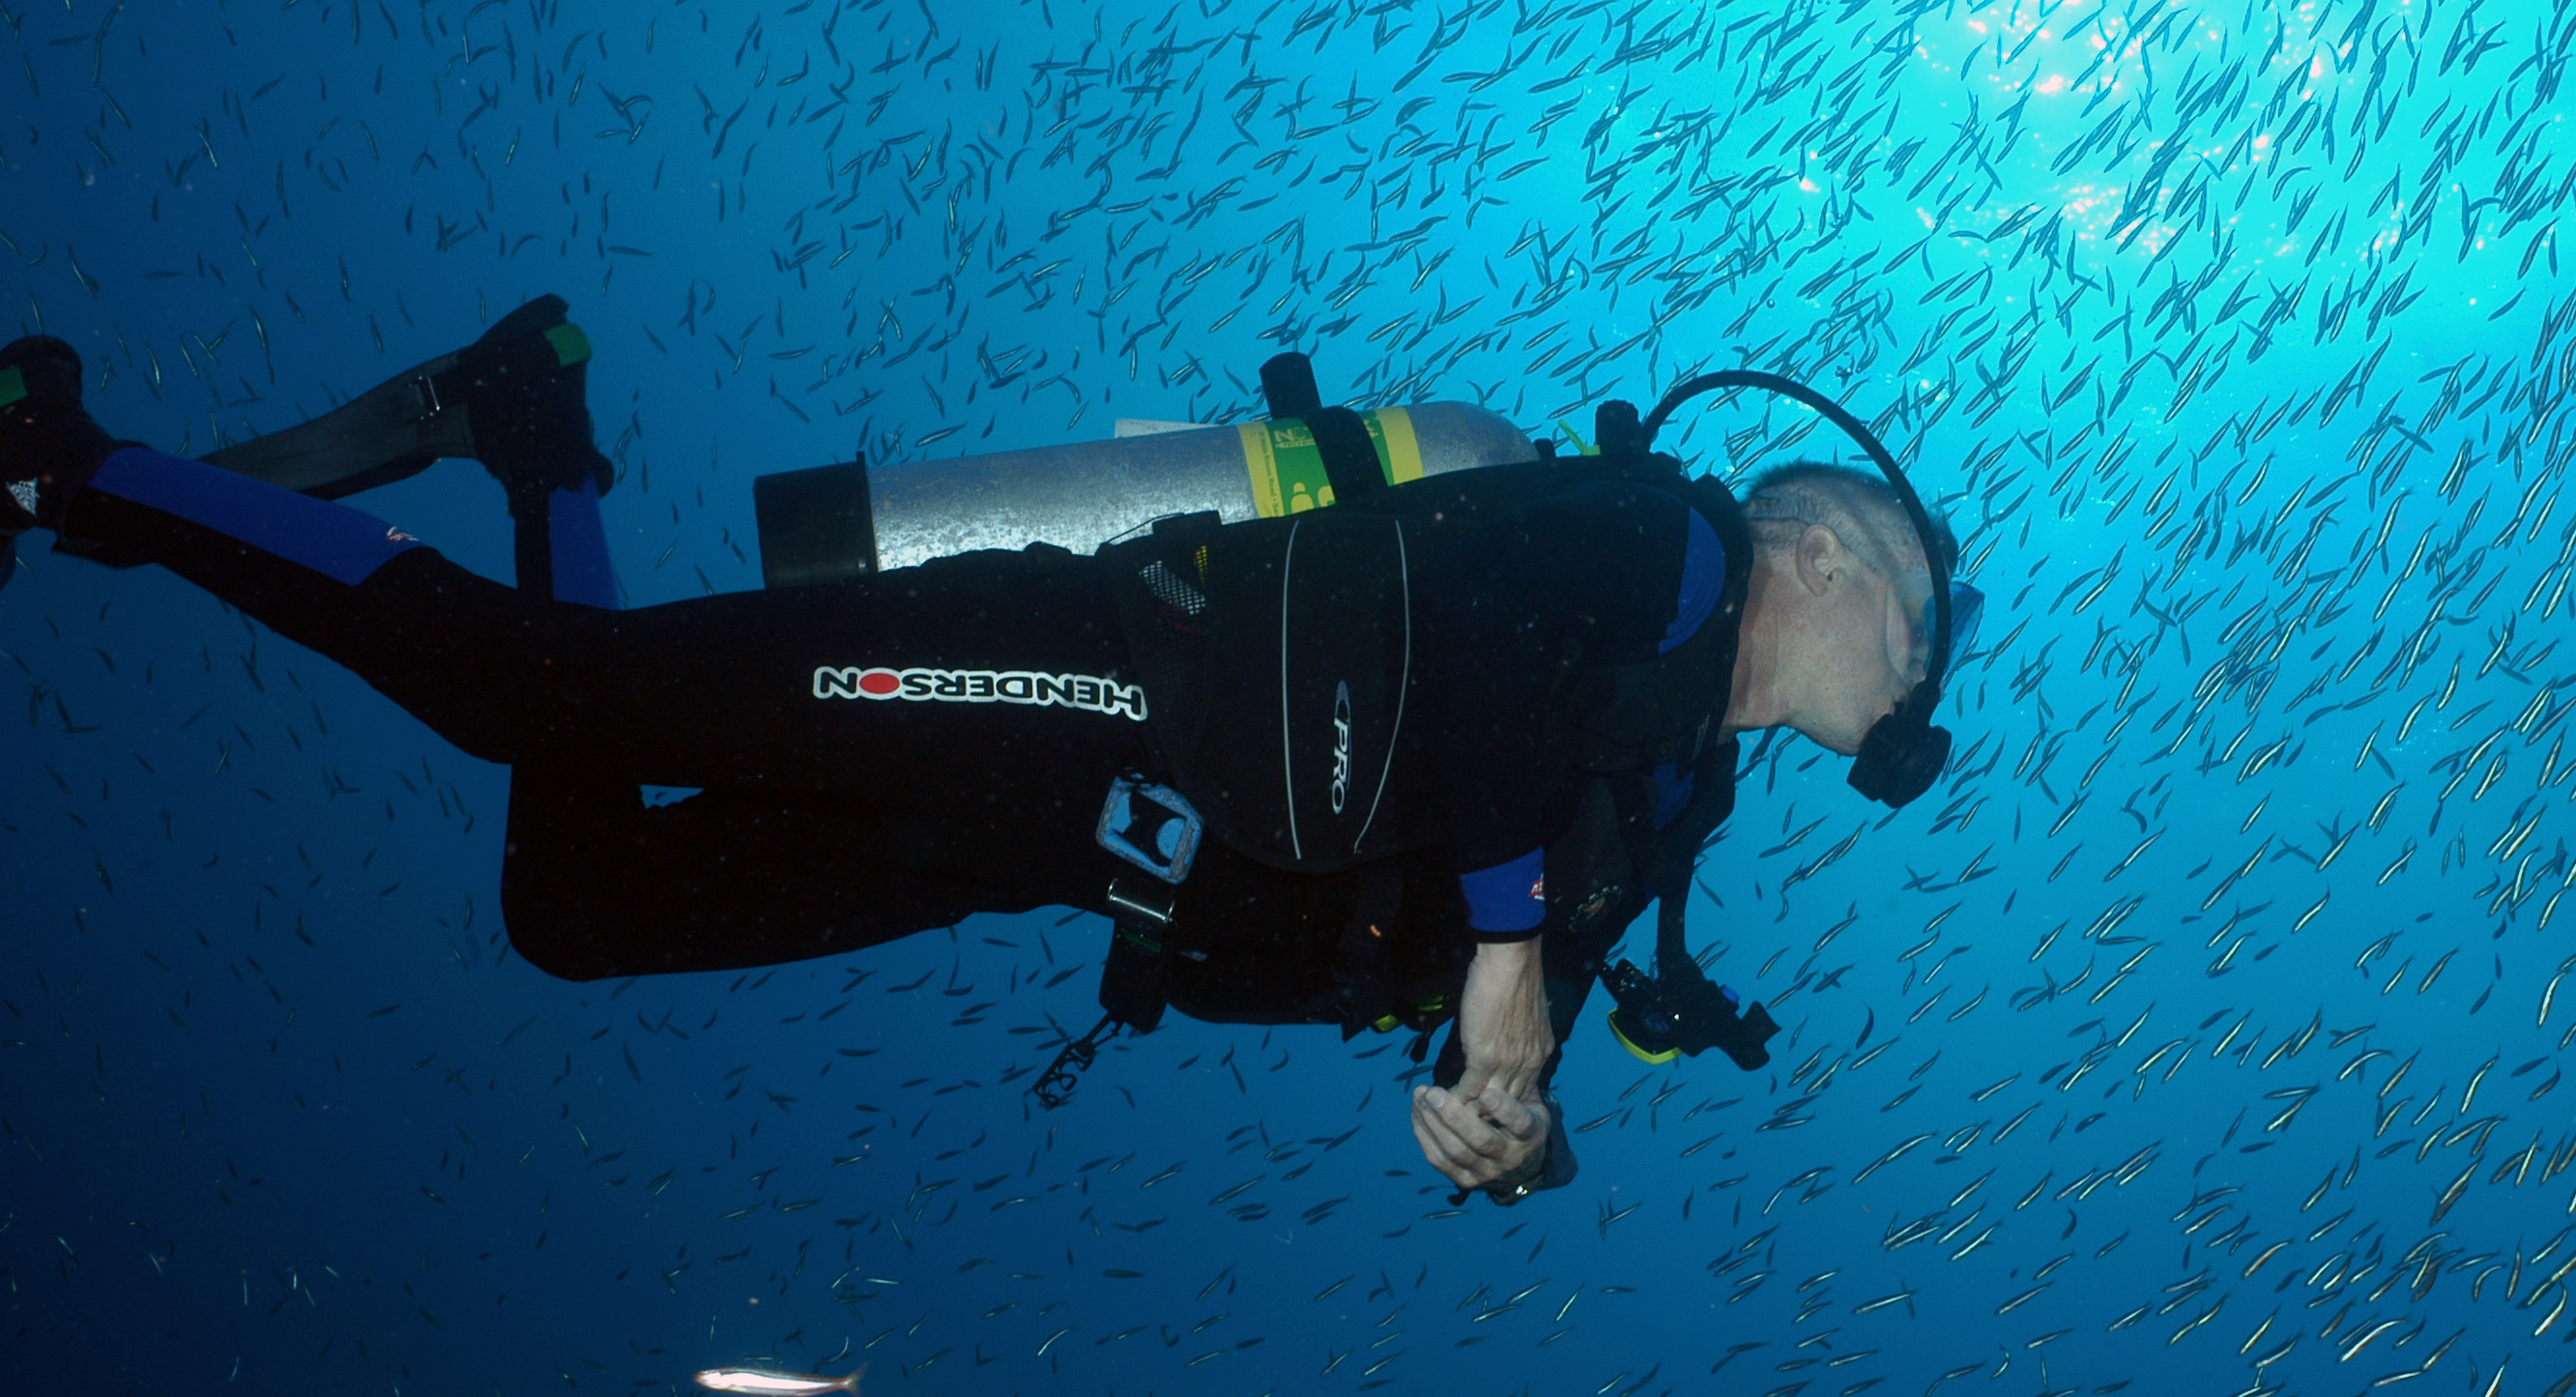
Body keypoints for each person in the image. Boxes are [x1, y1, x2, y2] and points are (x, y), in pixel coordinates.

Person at [0, 303, 1963, 1199]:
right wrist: (1516, 951)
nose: (1929, 674)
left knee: (582, 909)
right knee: (533, 698)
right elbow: (1442, 622)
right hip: (1093, 677)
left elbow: (1467, 993)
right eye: (1924, 615)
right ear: (1820, 545)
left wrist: (1509, 1134)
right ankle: (82, 466)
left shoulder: (1668, 802)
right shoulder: (1664, 533)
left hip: (1051, 846)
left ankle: (536, 439)